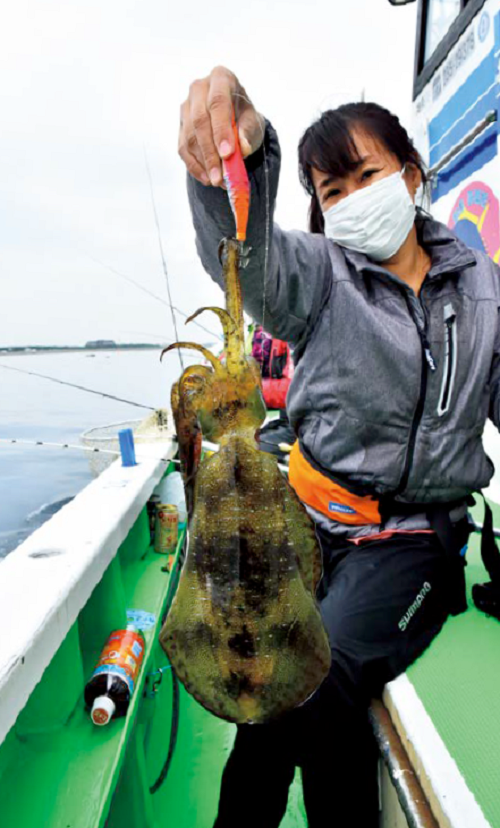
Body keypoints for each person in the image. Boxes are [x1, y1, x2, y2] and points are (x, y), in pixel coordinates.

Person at [177, 67, 500, 826]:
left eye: (366, 175)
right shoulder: (321, 276)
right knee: (262, 697)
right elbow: (247, 258)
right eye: (330, 191)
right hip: (309, 526)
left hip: (410, 540)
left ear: (412, 177)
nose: (350, 200)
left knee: (321, 678)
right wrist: (242, 158)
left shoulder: (485, 291)